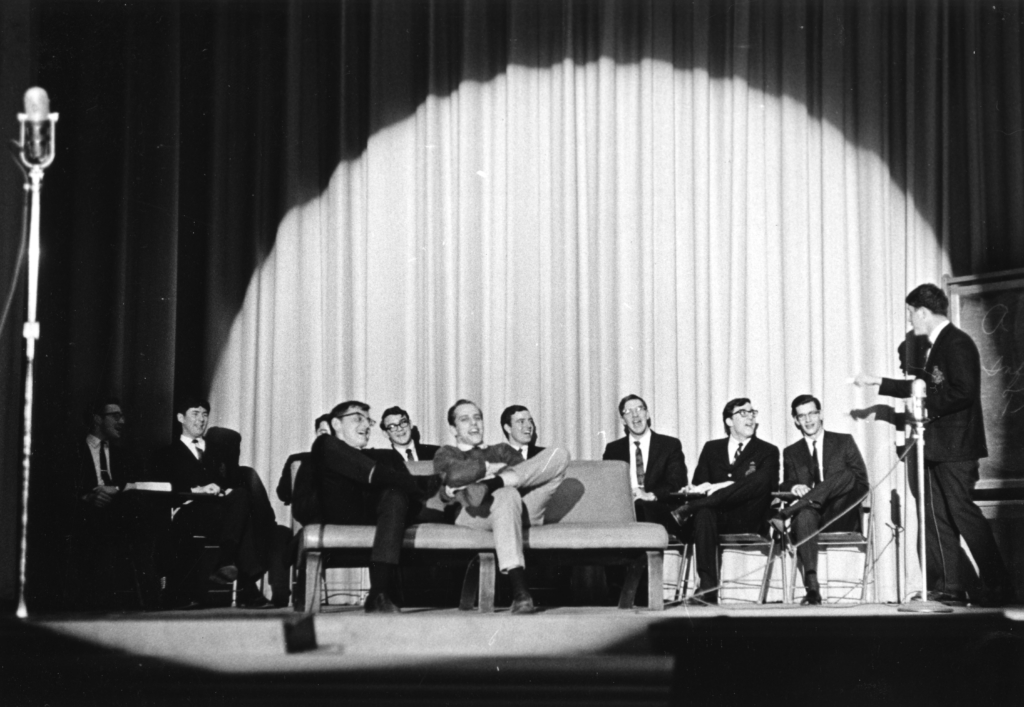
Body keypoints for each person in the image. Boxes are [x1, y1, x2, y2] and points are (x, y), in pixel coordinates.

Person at [855, 283, 1014, 606]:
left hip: (956, 448)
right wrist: (878, 382)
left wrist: (925, 408)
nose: (909, 319)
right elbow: (922, 387)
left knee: (962, 513)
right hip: (938, 448)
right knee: (936, 515)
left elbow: (963, 391)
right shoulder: (940, 345)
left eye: (911, 313)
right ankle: (949, 585)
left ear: (924, 312)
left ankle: (999, 586)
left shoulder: (956, 343)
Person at [433, 399, 569, 614]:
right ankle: (520, 591)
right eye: (465, 419)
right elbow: (454, 475)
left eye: (477, 418)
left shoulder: (502, 450)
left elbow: (526, 475)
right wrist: (490, 467)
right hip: (473, 514)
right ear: (453, 429)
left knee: (559, 454)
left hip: (517, 510)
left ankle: (493, 485)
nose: (474, 423)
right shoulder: (447, 453)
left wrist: (487, 480)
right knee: (507, 493)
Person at [293, 400, 426, 613]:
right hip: (333, 515)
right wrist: (413, 484)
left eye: (368, 421)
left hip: (378, 519)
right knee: (326, 444)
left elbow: (408, 498)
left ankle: (378, 593)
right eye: (358, 418)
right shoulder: (321, 450)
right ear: (336, 424)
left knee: (395, 496)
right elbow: (301, 507)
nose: (366, 425)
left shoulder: (384, 457)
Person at [159, 397, 275, 608]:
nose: (201, 419)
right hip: (190, 511)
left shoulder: (219, 451)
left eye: (205, 415)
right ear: (180, 418)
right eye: (195, 414)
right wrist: (196, 490)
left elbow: (231, 481)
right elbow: (166, 489)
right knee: (242, 520)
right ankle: (246, 587)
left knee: (241, 496)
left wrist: (223, 489)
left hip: (221, 510)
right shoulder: (167, 453)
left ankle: (227, 560)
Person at [670, 398, 780, 604]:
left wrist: (723, 485)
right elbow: (700, 484)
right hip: (716, 518)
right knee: (704, 513)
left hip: (748, 517)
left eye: (752, 412)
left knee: (762, 478)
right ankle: (707, 589)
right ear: (729, 421)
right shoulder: (712, 448)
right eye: (743, 413)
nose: (750, 417)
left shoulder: (768, 450)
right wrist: (694, 489)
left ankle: (690, 508)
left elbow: (768, 486)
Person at [769, 395, 869, 605]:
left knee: (847, 475)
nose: (808, 420)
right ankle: (812, 588)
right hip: (810, 518)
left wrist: (827, 489)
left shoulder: (844, 441)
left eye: (812, 413)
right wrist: (793, 487)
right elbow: (785, 483)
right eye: (802, 416)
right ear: (796, 420)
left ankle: (786, 513)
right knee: (805, 514)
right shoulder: (791, 452)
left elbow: (862, 482)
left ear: (820, 414)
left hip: (840, 513)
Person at [65, 397, 163, 610]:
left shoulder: (126, 456)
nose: (122, 421)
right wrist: (88, 498)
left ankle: (150, 601)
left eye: (122, 416)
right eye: (116, 416)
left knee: (139, 515)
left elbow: (138, 485)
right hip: (85, 517)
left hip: (121, 516)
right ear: (97, 419)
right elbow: (58, 491)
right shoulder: (72, 450)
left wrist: (116, 490)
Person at [602, 394, 687, 538]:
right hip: (624, 510)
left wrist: (650, 495)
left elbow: (677, 482)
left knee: (641, 507)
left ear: (647, 414)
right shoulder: (613, 449)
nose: (635, 415)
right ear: (623, 420)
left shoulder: (669, 445)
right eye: (628, 412)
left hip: (658, 508)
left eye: (639, 409)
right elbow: (607, 485)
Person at [276, 413, 332, 506]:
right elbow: (283, 494)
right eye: (323, 433)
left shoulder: (349, 462)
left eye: (333, 434)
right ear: (316, 433)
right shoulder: (297, 460)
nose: (328, 438)